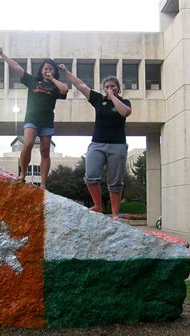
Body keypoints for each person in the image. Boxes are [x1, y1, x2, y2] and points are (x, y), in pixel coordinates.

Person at [59, 64, 132, 220]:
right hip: (97, 144)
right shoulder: (98, 100)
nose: (109, 88)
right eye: (106, 86)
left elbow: (125, 112)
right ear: (103, 88)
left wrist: (113, 97)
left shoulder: (124, 101)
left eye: (112, 86)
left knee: (115, 182)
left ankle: (114, 214)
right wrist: (66, 72)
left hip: (117, 145)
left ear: (118, 88)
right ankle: (97, 206)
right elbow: (80, 85)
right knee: (91, 176)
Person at [0, 47, 68, 189]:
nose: (47, 71)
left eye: (50, 69)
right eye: (45, 69)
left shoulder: (55, 87)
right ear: (41, 70)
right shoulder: (33, 81)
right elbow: (16, 67)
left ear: (54, 71)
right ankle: (22, 174)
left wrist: (52, 79)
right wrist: (3, 55)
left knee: (45, 151)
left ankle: (43, 183)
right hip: (31, 119)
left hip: (47, 122)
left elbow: (65, 90)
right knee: (28, 143)